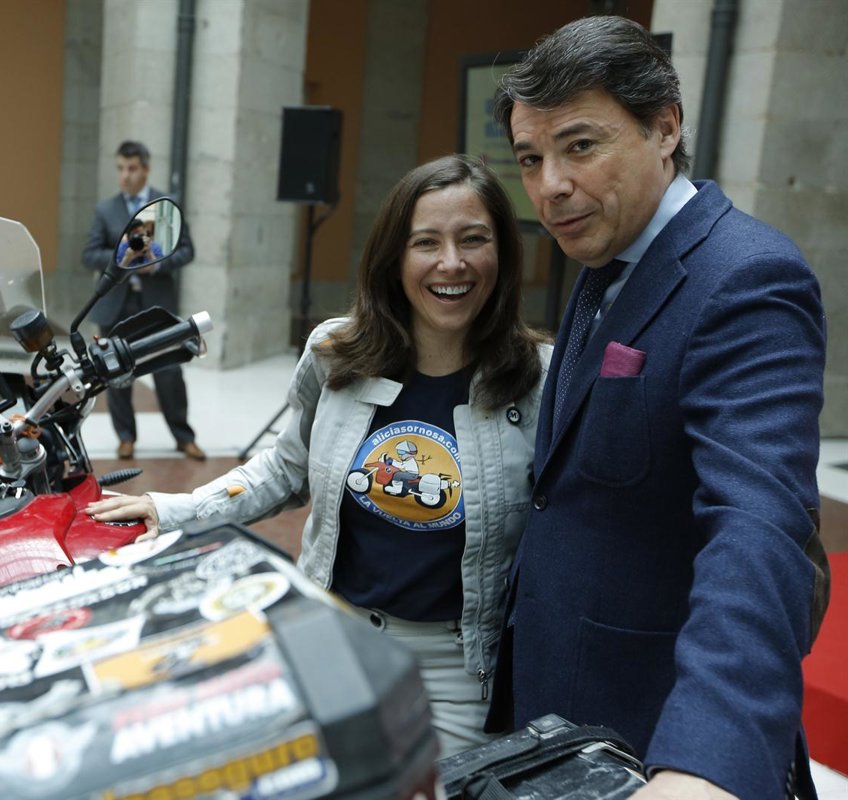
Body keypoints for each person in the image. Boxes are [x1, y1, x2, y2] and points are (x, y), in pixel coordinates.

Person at [88, 154, 552, 757]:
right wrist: (176, 509)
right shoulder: (337, 351)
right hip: (334, 635)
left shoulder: (541, 381)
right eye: (426, 242)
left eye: (473, 239)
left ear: (503, 254)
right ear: (393, 256)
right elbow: (287, 468)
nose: (451, 262)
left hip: (458, 671)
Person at [486, 16, 829, 799]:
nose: (549, 186)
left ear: (665, 128)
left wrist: (707, 758)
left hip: (656, 734)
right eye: (531, 159)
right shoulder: (607, 255)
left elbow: (759, 527)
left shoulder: (748, 279)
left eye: (580, 145)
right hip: (556, 712)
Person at [82, 140, 204, 461]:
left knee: (170, 372)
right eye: (120, 168)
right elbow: (89, 255)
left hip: (157, 302)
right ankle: (126, 437)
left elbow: (187, 250)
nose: (125, 175)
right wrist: (125, 254)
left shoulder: (167, 205)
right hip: (116, 305)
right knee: (117, 373)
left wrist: (157, 263)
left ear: (146, 169)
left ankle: (183, 436)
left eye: (132, 168)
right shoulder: (105, 210)